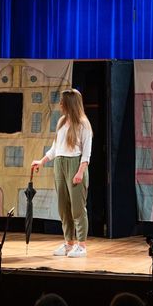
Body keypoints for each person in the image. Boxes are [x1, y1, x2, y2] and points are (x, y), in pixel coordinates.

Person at [31, 89, 93, 258]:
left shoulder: (83, 124)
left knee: (77, 208)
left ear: (70, 103)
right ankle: (68, 243)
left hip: (75, 164)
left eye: (62, 101)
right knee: (63, 207)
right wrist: (42, 161)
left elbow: (86, 152)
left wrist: (80, 171)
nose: (60, 104)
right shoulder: (61, 122)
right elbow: (55, 148)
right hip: (59, 164)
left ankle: (81, 245)